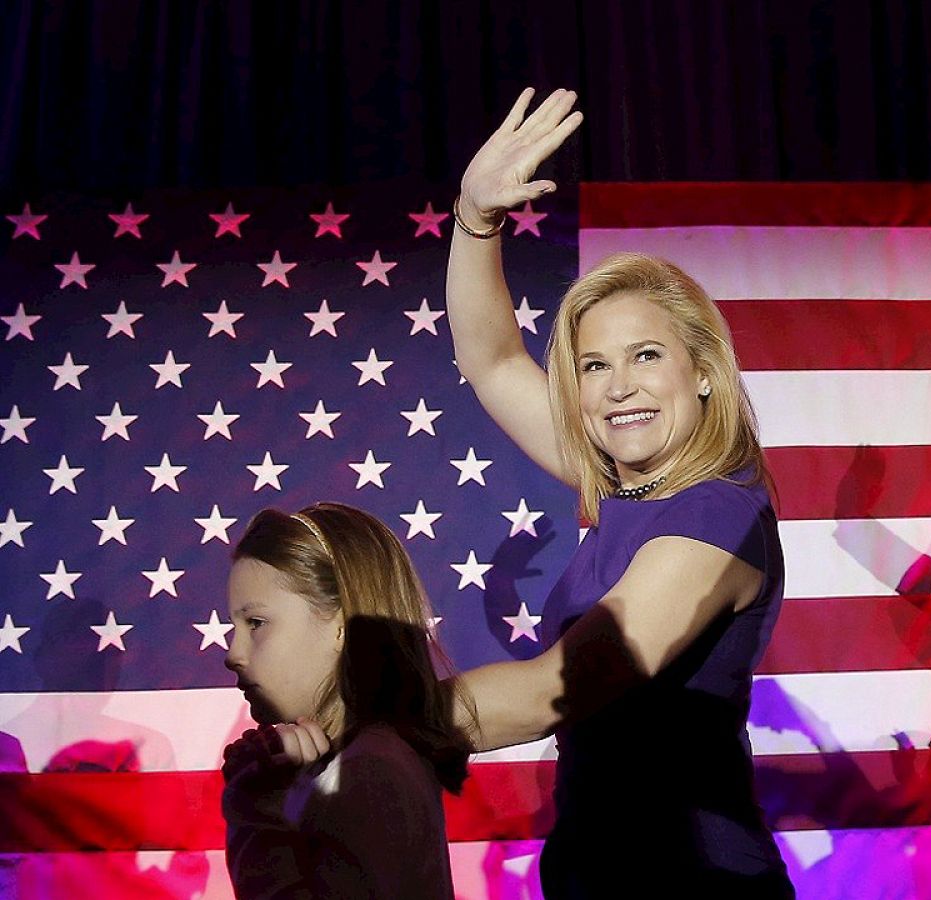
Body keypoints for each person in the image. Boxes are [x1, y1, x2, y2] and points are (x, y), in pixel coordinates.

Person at [445, 88, 793, 897]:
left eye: (645, 357)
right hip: (593, 871)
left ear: (703, 372)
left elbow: (545, 693)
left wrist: (363, 715)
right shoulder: (618, 485)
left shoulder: (721, 512)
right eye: (595, 366)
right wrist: (474, 215)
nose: (617, 387)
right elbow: (493, 359)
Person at [221, 502, 471, 900]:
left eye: (256, 624)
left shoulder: (368, 769)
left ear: (341, 626)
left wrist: (255, 817)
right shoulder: (357, 759)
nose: (233, 653)